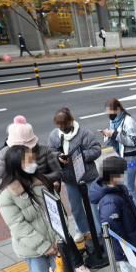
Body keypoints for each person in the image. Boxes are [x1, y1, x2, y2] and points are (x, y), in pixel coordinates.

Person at [0, 146, 71, 272]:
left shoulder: (41, 180)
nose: (33, 163)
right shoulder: (6, 195)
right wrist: (43, 246)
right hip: (31, 245)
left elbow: (57, 207)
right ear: (16, 164)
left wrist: (60, 235)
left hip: (54, 238)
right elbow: (18, 225)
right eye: (28, 160)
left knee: (62, 268)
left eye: (32, 159)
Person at [89, 157, 136, 272]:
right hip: (122, 242)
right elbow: (113, 227)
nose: (124, 174)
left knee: (130, 265)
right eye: (122, 172)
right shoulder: (110, 199)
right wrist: (123, 246)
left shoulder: (116, 188)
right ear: (115, 174)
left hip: (127, 238)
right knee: (127, 267)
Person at [47, 108, 101, 257]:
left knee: (93, 205)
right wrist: (59, 157)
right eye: (60, 125)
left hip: (87, 176)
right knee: (75, 206)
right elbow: (51, 151)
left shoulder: (84, 133)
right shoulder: (54, 135)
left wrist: (81, 156)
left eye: (65, 124)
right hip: (69, 178)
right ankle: (82, 230)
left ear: (71, 121)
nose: (62, 128)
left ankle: (98, 232)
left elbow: (97, 150)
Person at [99, 98, 136, 220]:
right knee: (124, 186)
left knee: (129, 186)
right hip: (120, 155)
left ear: (118, 109)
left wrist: (113, 134)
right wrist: (108, 133)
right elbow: (116, 136)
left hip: (129, 157)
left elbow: (132, 141)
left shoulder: (128, 121)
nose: (109, 114)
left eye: (111, 111)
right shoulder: (115, 121)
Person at [0, 116, 62, 192]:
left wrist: (37, 181)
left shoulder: (44, 149)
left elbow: (58, 172)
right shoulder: (4, 153)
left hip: (44, 191)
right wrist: (18, 186)